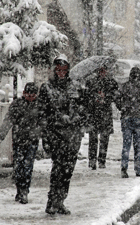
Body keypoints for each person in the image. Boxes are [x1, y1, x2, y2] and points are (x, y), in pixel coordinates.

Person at [39, 54, 85, 215]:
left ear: (68, 70)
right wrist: (46, 135)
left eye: (64, 69)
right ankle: (52, 201)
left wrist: (77, 118)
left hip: (72, 135)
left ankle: (60, 201)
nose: (61, 72)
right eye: (58, 69)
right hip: (56, 134)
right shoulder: (47, 88)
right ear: (54, 70)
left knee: (68, 171)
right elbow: (43, 113)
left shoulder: (76, 87)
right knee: (58, 169)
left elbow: (84, 109)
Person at [0, 82, 41, 204]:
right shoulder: (17, 104)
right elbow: (8, 120)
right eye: (28, 94)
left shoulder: (39, 105)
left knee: (28, 167)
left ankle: (24, 191)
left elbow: (44, 122)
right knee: (18, 167)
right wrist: (2, 134)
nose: (30, 96)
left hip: (32, 140)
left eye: (33, 94)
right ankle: (20, 189)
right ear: (24, 93)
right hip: (19, 140)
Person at [115, 67, 140, 178]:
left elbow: (117, 99)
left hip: (126, 118)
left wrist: (123, 108)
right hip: (137, 119)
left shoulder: (124, 87)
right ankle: (138, 168)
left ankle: (124, 168)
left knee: (126, 144)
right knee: (137, 145)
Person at [84, 64, 119, 170]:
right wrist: (95, 98)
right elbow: (86, 96)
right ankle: (92, 160)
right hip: (94, 113)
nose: (103, 73)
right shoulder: (91, 81)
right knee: (93, 138)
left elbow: (115, 95)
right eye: (101, 71)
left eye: (105, 71)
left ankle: (102, 160)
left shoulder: (111, 82)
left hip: (105, 113)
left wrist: (106, 97)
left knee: (104, 138)